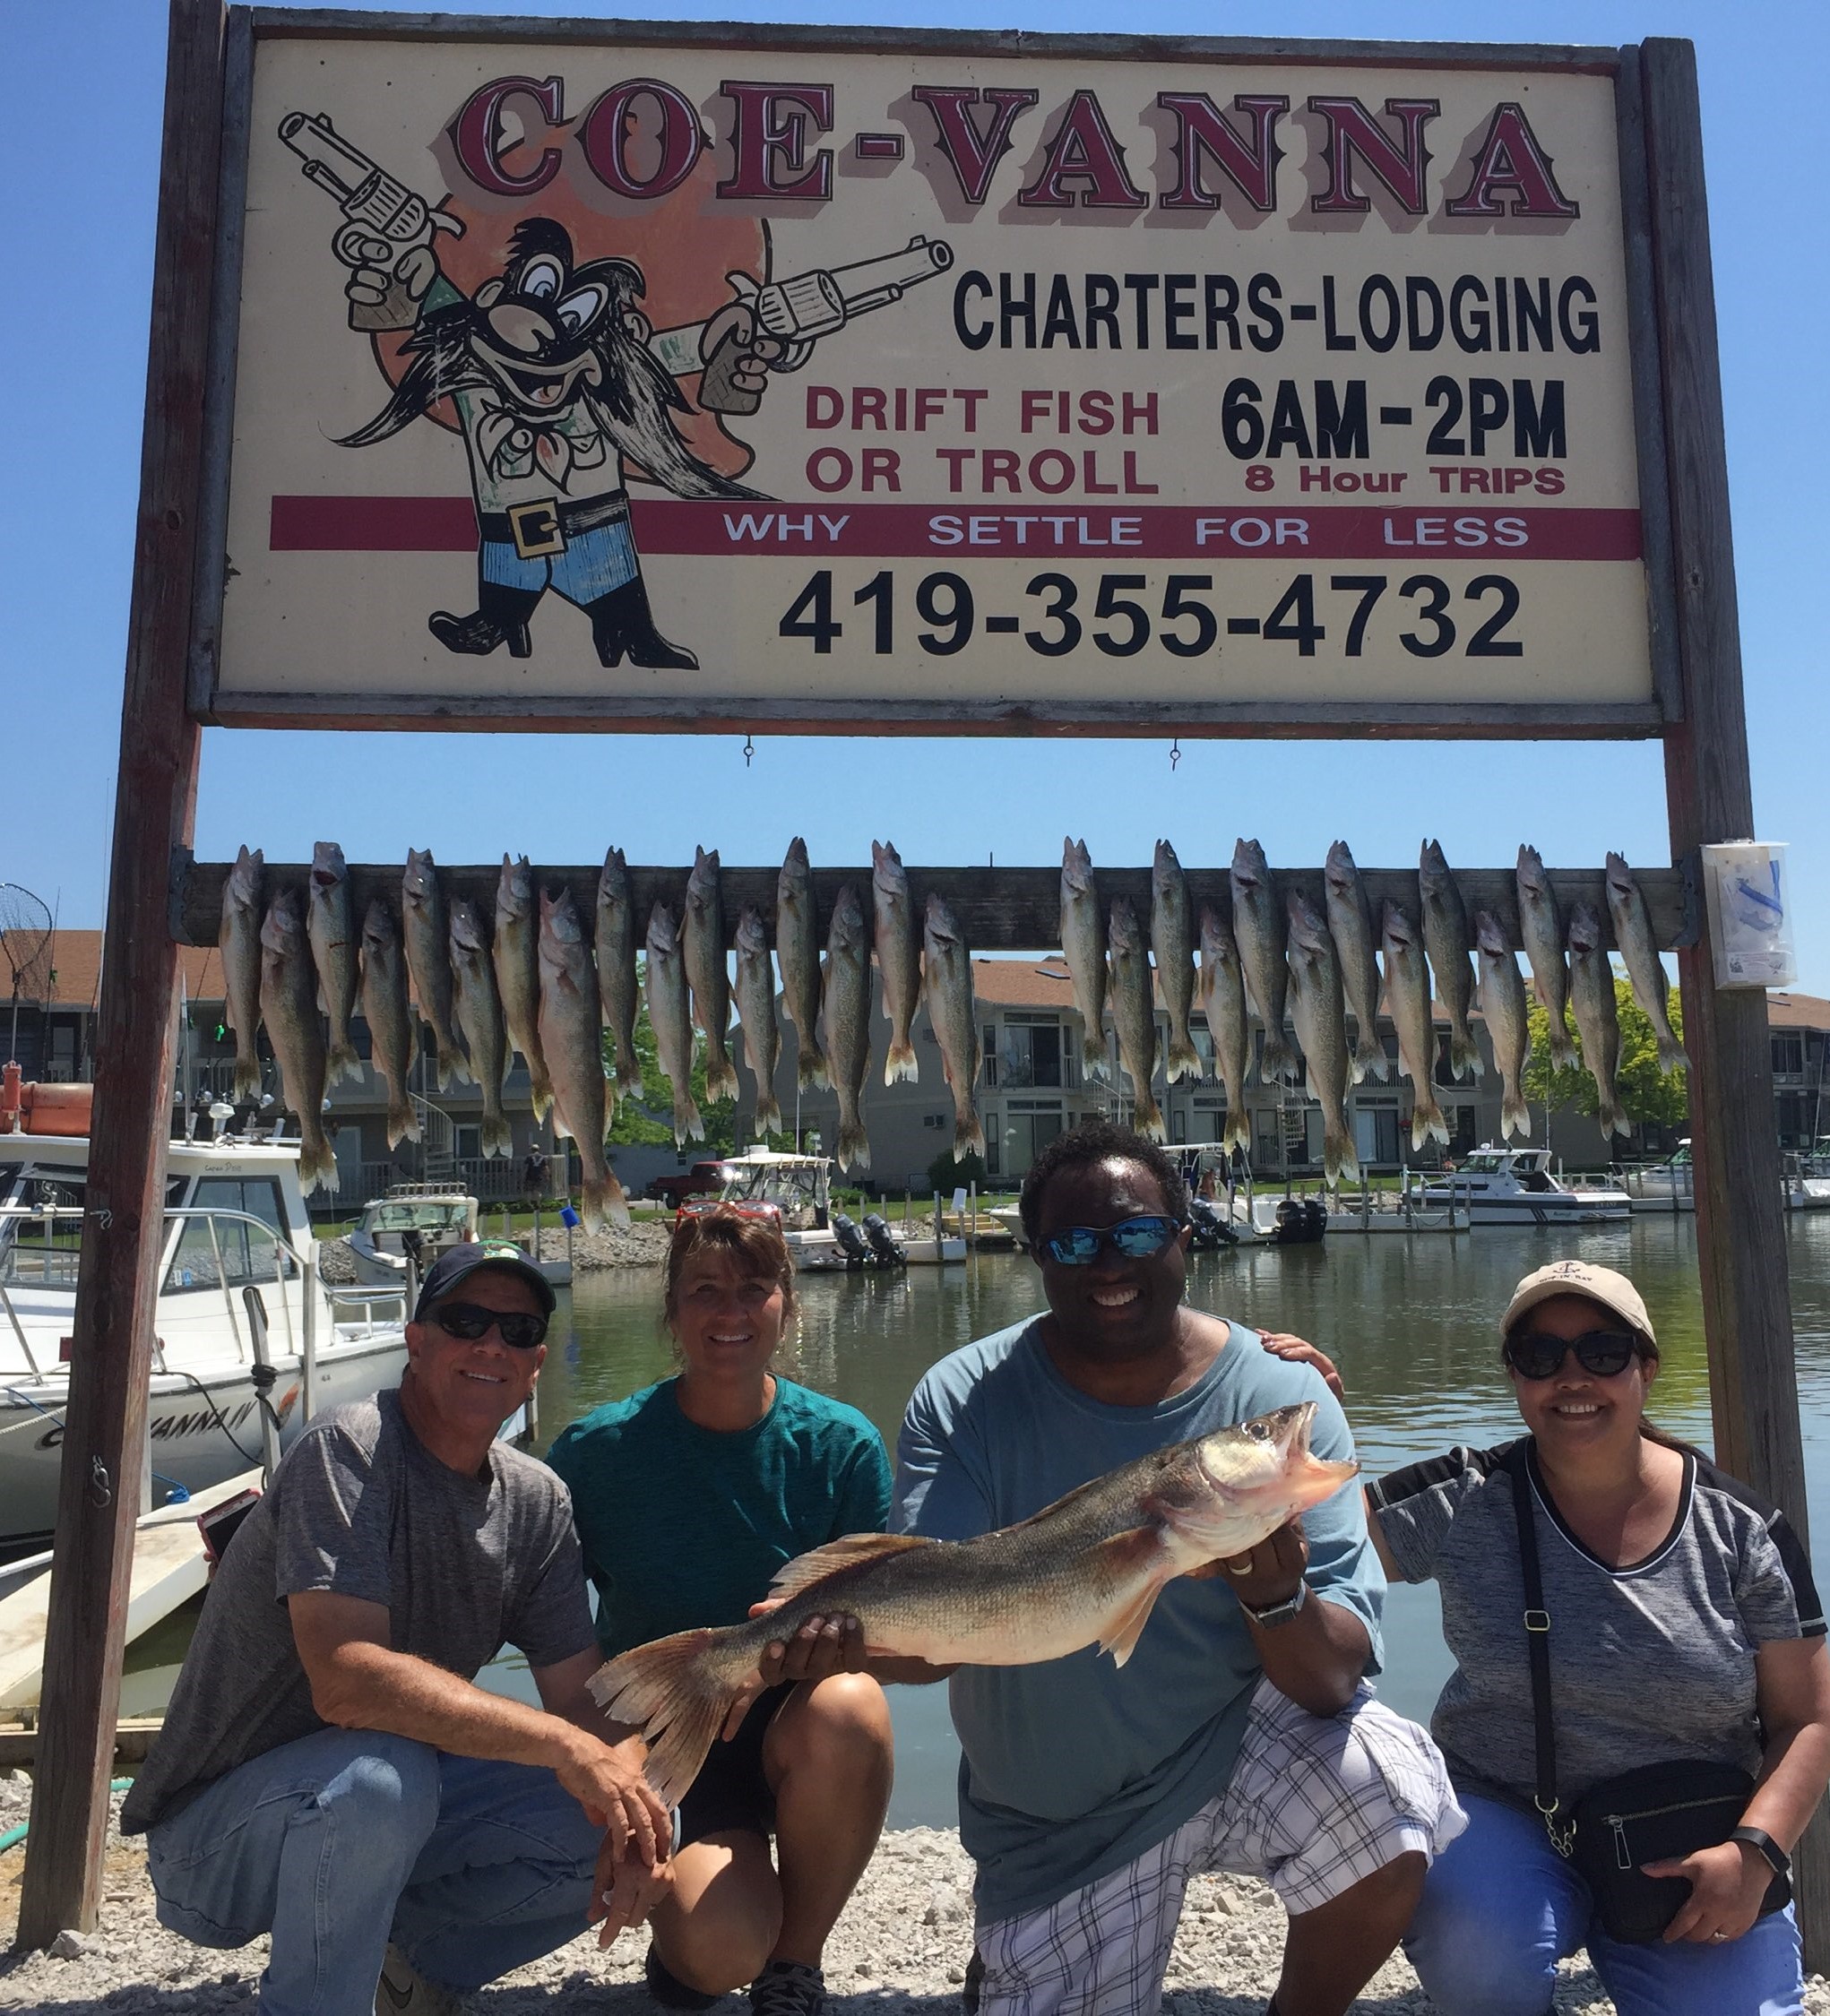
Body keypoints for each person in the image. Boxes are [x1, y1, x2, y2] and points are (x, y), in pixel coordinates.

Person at [875, 1119, 1463, 2016]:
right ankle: (1008, 1962)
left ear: (1185, 1240)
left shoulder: (1279, 1395)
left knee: (1385, 1784)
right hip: (1059, 1809)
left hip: (1235, 1747)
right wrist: (828, 1644)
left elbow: (1336, 1673)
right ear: (1037, 1257)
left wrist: (1273, 1594)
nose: (1109, 1265)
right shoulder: (963, 1396)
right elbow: (937, 1632)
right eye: (1073, 1243)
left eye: (1138, 1235)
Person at [121, 1241, 672, 2015]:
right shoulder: (348, 1448)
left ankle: (403, 1967)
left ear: (537, 1363)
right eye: (465, 1320)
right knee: (382, 1775)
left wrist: (629, 1782)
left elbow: (586, 1705)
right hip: (215, 1843)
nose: (491, 1344)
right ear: (416, 1342)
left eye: (517, 1331)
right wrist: (567, 1747)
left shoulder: (537, 1502)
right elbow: (348, 1682)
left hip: (374, 1812)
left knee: (631, 1808)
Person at [1304, 1257, 1830, 2016]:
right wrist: (1283, 1394)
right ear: (1516, 1377)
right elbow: (1302, 1537)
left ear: (1647, 1368)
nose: (1572, 1378)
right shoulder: (1462, 1497)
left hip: (1682, 1833)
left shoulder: (1743, 1529)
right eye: (1541, 1357)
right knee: (1478, 1955)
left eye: (1604, 1353)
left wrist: (1755, 1854)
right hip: (1503, 1810)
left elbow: (1807, 1720)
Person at [546, 1208, 894, 2016]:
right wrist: (612, 1780)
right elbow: (549, 1629)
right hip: (668, 1747)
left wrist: (840, 1644)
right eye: (705, 1291)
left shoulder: (842, 1447)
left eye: (754, 1289)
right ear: (671, 1310)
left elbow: (881, 1632)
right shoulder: (596, 1453)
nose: (730, 1312)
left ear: (787, 1305)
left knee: (854, 1703)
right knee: (717, 1955)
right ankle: (698, 1943)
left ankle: (795, 1967)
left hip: (791, 1733)